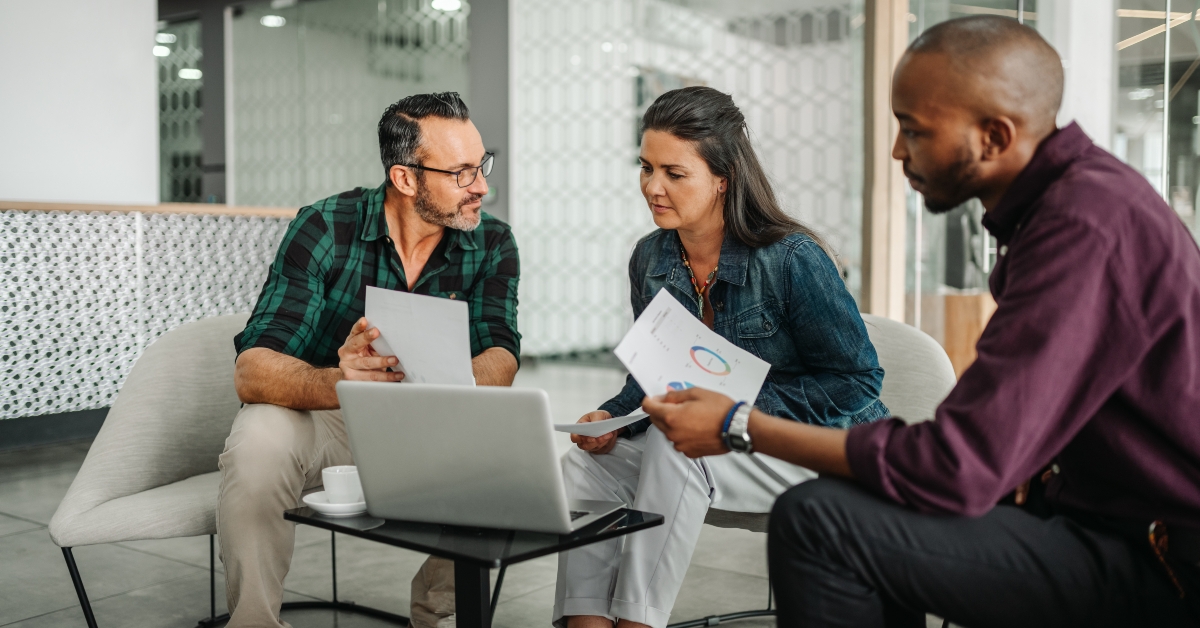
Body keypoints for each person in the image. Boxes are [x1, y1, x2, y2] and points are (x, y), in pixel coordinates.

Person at [642, 16, 1200, 628]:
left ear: (994, 136)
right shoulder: (1067, 208)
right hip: (1086, 514)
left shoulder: (1084, 228)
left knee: (819, 523)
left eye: (915, 130)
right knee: (861, 503)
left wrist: (738, 424)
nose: (898, 151)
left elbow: (957, 468)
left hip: (1158, 558)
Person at [554, 86, 890, 628]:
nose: (652, 187)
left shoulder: (792, 259)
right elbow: (652, 373)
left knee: (674, 443)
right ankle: (586, 624)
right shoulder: (651, 258)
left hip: (815, 448)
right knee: (590, 465)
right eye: (645, 168)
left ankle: (640, 621)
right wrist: (611, 416)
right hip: (721, 446)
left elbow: (857, 384)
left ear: (722, 177)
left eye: (674, 173)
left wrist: (732, 406)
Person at [219, 92, 520, 628]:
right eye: (462, 173)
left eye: (482, 165)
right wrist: (344, 378)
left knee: (506, 449)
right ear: (406, 179)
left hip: (434, 420)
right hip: (331, 419)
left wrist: (445, 378)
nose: (482, 186)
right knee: (259, 435)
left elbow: (501, 353)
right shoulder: (324, 227)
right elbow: (252, 370)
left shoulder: (492, 242)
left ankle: (438, 615)